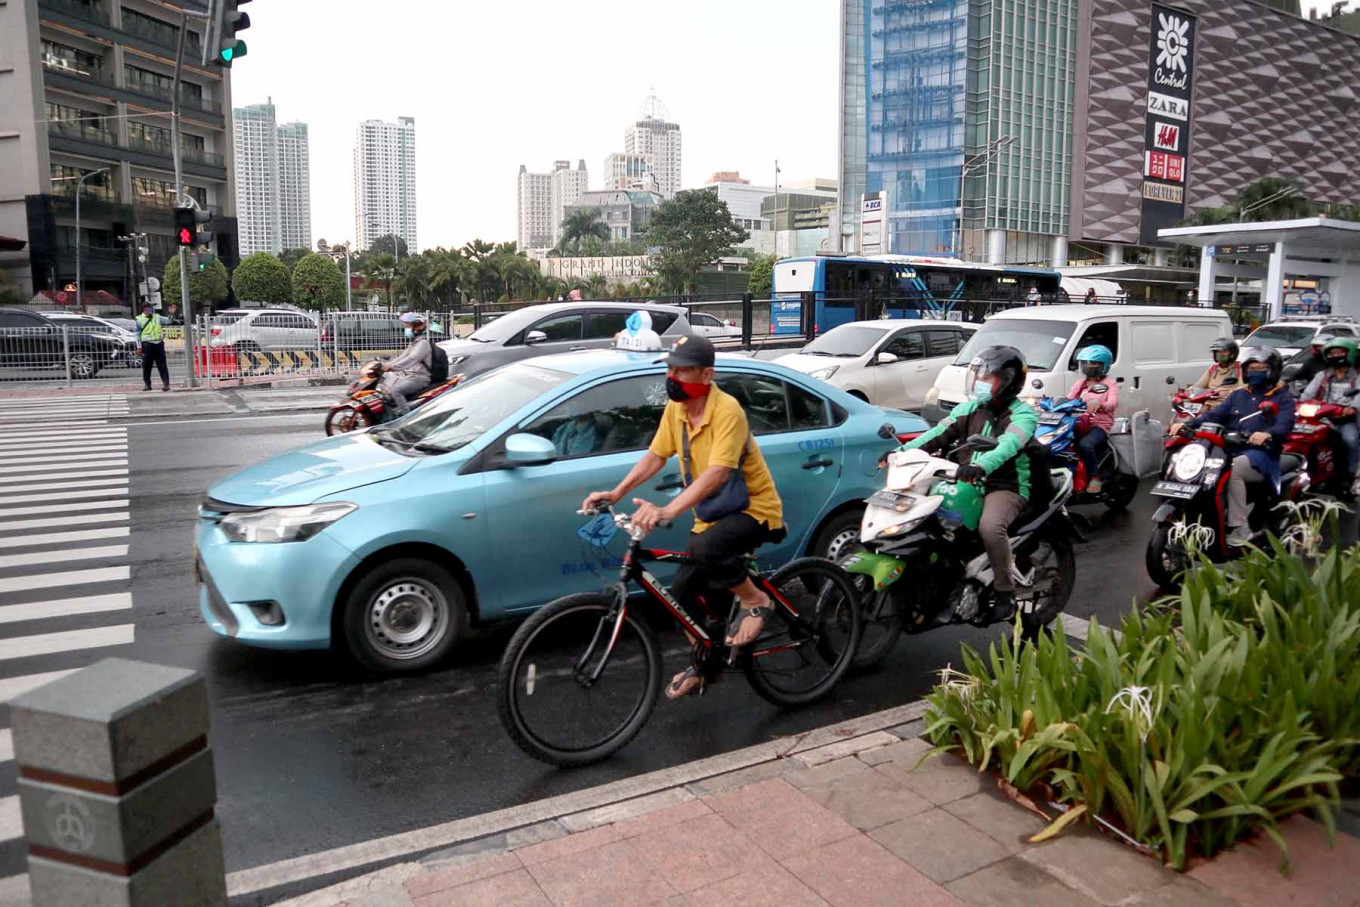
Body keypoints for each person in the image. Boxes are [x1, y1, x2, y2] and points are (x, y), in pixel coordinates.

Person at [581, 334, 785, 700]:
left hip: (753, 510)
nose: (672, 377)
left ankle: (756, 600)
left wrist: (668, 509)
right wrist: (616, 493)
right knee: (679, 597)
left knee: (708, 550)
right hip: (711, 517)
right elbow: (656, 456)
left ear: (706, 375)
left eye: (682, 371)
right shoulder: (677, 410)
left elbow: (718, 473)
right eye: (670, 369)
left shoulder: (728, 411)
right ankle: (708, 664)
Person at [889, 346, 1038, 621]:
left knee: (990, 528)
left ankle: (1005, 593)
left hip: (1004, 486)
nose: (981, 383)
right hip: (965, 479)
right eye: (979, 376)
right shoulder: (970, 408)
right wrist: (899, 455)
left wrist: (981, 466)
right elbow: (938, 434)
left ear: (1008, 381)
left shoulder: (1022, 415)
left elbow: (1007, 446)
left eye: (988, 378)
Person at [1171, 347, 1296, 547]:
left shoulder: (1281, 398)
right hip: (1231, 448)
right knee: (1198, 465)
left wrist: (1267, 434)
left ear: (1272, 370)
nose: (1254, 371)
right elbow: (1214, 415)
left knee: (1233, 469)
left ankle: (1240, 527)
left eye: (1260, 367)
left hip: (1261, 455)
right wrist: (1187, 424)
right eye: (1251, 367)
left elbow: (1284, 423)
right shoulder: (1238, 395)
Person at [1301, 336, 1360, 498]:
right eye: (1332, 353)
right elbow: (1307, 395)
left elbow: (1358, 398)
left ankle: (1350, 475)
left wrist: (1352, 408)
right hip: (1323, 419)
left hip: (1346, 420)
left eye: (1339, 352)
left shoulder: (1357, 377)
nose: (1335, 356)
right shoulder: (1322, 376)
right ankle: (1312, 473)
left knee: (1350, 440)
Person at [1068, 345, 1118, 494]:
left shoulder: (1110, 384)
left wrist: (1100, 404)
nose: (1089, 366)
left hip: (1099, 425)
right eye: (1085, 363)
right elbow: (1068, 399)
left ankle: (1094, 477)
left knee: (1085, 444)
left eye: (1093, 363)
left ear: (1104, 365)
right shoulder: (1080, 384)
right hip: (1079, 422)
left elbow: (1113, 403)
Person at [381, 312, 433, 415]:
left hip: (420, 379)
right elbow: (402, 357)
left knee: (396, 391)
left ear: (417, 327)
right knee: (386, 389)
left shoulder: (423, 343)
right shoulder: (414, 343)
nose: (406, 328)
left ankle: (406, 417)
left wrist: (393, 367)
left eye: (408, 326)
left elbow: (412, 359)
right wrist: (385, 365)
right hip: (410, 376)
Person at [1190, 337, 1243, 402]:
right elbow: (1199, 385)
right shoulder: (1213, 369)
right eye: (1217, 352)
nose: (1219, 354)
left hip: (1226, 403)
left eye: (1224, 352)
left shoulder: (1240, 368)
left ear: (1233, 353)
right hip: (1208, 401)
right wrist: (1188, 391)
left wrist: (1229, 393)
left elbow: (1242, 388)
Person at [135, 301, 170, 392]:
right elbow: (137, 335)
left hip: (158, 343)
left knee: (162, 365)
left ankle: (166, 383)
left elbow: (168, 320)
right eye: (150, 307)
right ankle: (147, 384)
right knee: (147, 365)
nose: (152, 309)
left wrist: (171, 313)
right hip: (147, 345)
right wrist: (139, 347)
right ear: (145, 309)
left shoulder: (157, 317)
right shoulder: (139, 320)